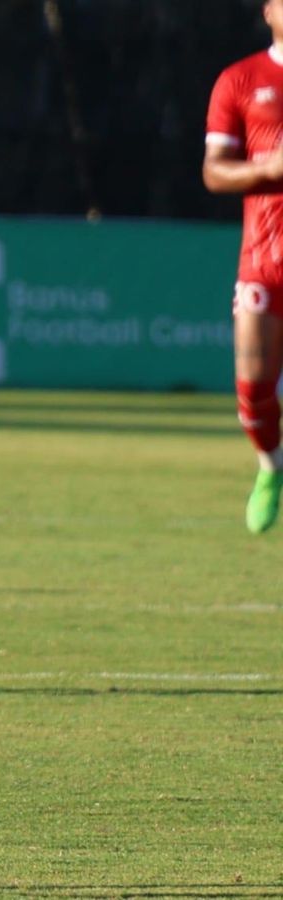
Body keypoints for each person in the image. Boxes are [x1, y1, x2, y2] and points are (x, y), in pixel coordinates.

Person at [204, 0, 283, 535]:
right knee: (253, 385)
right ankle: (271, 467)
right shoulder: (241, 79)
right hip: (264, 256)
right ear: (269, 10)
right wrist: (270, 168)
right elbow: (213, 172)